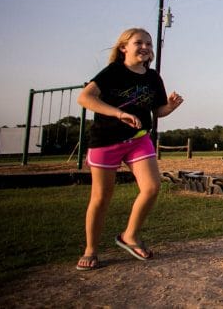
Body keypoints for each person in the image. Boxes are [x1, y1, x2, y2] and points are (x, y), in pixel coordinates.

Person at [75, 28, 184, 271]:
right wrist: (118, 113)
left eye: (148, 43)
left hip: (138, 138)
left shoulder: (153, 78)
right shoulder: (114, 72)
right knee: (101, 198)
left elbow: (158, 111)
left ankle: (129, 236)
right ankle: (91, 249)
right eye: (139, 43)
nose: (145, 47)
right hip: (106, 140)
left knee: (152, 187)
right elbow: (85, 98)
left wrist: (171, 107)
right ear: (124, 47)